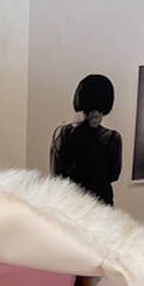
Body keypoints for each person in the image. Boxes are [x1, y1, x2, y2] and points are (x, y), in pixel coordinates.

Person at [50, 74, 123, 206]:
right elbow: (113, 175)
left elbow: (56, 174)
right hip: (98, 203)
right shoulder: (111, 138)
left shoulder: (62, 133)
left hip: (72, 202)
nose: (95, 113)